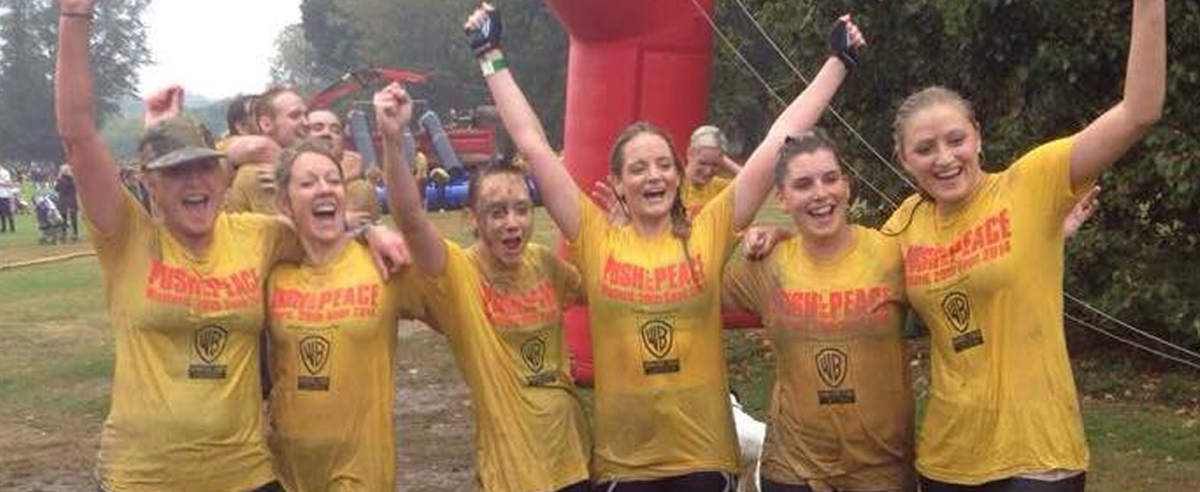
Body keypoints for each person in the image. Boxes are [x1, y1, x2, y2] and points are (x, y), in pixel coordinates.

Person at [465, 3, 864, 489]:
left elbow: (778, 140)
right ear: (618, 182)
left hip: (703, 461)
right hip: (624, 466)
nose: (652, 176)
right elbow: (532, 145)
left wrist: (838, 62)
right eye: (637, 169)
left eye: (663, 165)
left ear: (677, 175)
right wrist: (489, 53)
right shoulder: (596, 236)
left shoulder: (708, 231)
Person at [54, 3, 405, 490]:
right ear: (150, 184)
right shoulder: (129, 238)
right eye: (176, 172)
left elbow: (321, 226)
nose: (194, 181)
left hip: (245, 474)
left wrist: (369, 230)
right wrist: (74, 17)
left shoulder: (257, 236)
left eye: (204, 167)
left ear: (222, 178)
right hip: (142, 478)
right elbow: (77, 135)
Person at [881, 1, 1165, 490]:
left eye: (955, 139)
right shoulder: (905, 223)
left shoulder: (1029, 183)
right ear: (904, 159)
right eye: (924, 149)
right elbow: (843, 268)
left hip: (1038, 454)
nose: (944, 158)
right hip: (948, 459)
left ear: (978, 138)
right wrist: (774, 235)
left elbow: (1138, 113)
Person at [376, 82, 592, 492]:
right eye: (497, 212)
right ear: (471, 218)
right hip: (512, 472)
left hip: (573, 457)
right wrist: (391, 137)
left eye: (521, 210)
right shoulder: (459, 273)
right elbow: (411, 220)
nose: (512, 223)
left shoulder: (544, 263)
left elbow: (604, 293)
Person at [723, 131, 914, 492]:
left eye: (830, 179)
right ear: (782, 198)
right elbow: (689, 291)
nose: (820, 193)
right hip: (794, 469)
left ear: (846, 185)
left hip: (881, 470)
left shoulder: (890, 254)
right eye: (803, 185)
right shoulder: (767, 264)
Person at [264, 138, 424, 492]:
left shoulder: (383, 263)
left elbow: (453, 292)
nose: (324, 189)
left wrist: (371, 230)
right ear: (285, 203)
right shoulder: (273, 273)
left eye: (333, 180)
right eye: (308, 183)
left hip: (361, 473)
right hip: (287, 472)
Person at [224, 86, 309, 214]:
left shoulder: (298, 162)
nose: (306, 122)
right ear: (266, 124)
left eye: (306, 115)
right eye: (294, 116)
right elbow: (290, 226)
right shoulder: (260, 173)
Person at [307, 108, 379, 224]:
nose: (327, 133)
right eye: (317, 128)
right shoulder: (284, 177)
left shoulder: (358, 189)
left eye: (336, 131)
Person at [681, 125, 742, 214]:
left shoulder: (717, 186)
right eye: (702, 163)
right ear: (689, 153)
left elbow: (752, 183)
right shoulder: (674, 185)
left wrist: (723, 159)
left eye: (715, 165)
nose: (708, 171)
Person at [54, 164, 79, 240]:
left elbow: (56, 189)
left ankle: (64, 234)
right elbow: (76, 188)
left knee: (64, 218)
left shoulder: (59, 180)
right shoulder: (73, 179)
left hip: (62, 201)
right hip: (71, 201)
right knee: (73, 218)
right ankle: (75, 234)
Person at [0, 163, 14, 233]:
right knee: (1, 212)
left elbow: (8, 183)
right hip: (2, 194)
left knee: (8, 212)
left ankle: (12, 227)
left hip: (5, 195)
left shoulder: (5, 172)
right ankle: (4, 227)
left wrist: (1, 183)